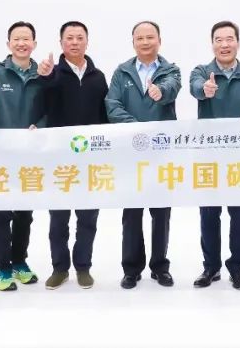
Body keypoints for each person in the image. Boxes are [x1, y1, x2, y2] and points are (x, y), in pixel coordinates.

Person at [0, 21, 56, 291]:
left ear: (34, 43)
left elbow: (51, 108)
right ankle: (3, 269)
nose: (21, 43)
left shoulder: (42, 73)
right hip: (0, 154)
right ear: (8, 43)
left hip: (31, 155)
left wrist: (40, 126)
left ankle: (20, 262)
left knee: (25, 213)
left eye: (26, 39)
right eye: (16, 39)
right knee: (2, 214)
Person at [188, 21, 240, 291]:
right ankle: (211, 267)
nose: (224, 44)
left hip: (239, 157)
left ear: (238, 43)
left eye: (229, 39)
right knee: (209, 214)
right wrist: (205, 89)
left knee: (239, 214)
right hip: (209, 156)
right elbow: (196, 87)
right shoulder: (202, 72)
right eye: (219, 40)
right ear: (212, 44)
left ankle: (236, 267)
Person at [105, 21, 182, 289]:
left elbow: (172, 87)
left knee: (161, 212)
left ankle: (160, 267)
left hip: (161, 151)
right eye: (140, 38)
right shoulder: (122, 72)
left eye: (150, 37)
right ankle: (131, 269)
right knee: (132, 212)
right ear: (133, 42)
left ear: (159, 40)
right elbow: (112, 104)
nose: (145, 42)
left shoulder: (170, 70)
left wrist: (161, 92)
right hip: (130, 151)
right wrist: (137, 128)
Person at [42, 21, 108, 290]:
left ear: (87, 42)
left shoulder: (98, 77)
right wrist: (46, 79)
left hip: (90, 159)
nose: (74, 42)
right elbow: (42, 106)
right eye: (69, 38)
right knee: (58, 218)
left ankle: (83, 267)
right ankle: (60, 268)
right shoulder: (52, 73)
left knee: (88, 217)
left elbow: (105, 117)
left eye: (80, 37)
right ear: (61, 43)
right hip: (58, 158)